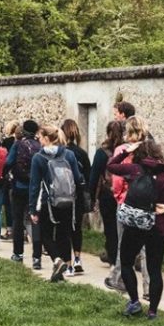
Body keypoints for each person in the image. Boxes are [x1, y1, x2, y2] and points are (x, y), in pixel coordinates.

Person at [106, 135, 164, 318]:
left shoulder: (135, 170)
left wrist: (126, 151)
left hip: (136, 224)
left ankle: (134, 302)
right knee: (155, 269)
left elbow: (111, 166)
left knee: (126, 262)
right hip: (159, 226)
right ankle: (153, 311)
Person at [29, 125, 89, 281]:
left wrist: (32, 209)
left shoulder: (38, 158)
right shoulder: (68, 155)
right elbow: (77, 178)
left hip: (48, 202)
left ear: (47, 139)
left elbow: (34, 185)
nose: (39, 140)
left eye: (41, 137)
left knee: (45, 234)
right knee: (64, 234)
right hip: (68, 201)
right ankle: (61, 272)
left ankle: (57, 260)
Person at [101, 116, 146, 291]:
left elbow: (117, 178)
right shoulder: (149, 149)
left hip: (126, 200)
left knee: (123, 243)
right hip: (144, 201)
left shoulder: (122, 149)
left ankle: (119, 280)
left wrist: (119, 195)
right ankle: (148, 287)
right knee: (144, 247)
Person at [4, 119, 43, 267]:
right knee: (35, 220)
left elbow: (8, 162)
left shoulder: (18, 144)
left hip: (19, 186)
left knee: (18, 220)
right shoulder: (39, 146)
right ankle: (37, 258)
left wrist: (6, 175)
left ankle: (18, 253)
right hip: (35, 188)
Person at [92, 117, 126, 278]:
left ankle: (114, 259)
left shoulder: (102, 153)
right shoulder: (129, 150)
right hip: (127, 193)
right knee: (125, 229)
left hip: (108, 193)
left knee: (111, 228)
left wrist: (91, 197)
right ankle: (126, 259)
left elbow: (94, 176)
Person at [60, 118, 89, 275]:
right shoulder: (82, 153)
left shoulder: (61, 153)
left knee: (64, 230)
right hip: (78, 195)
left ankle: (68, 264)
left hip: (63, 195)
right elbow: (88, 176)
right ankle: (77, 258)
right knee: (76, 228)